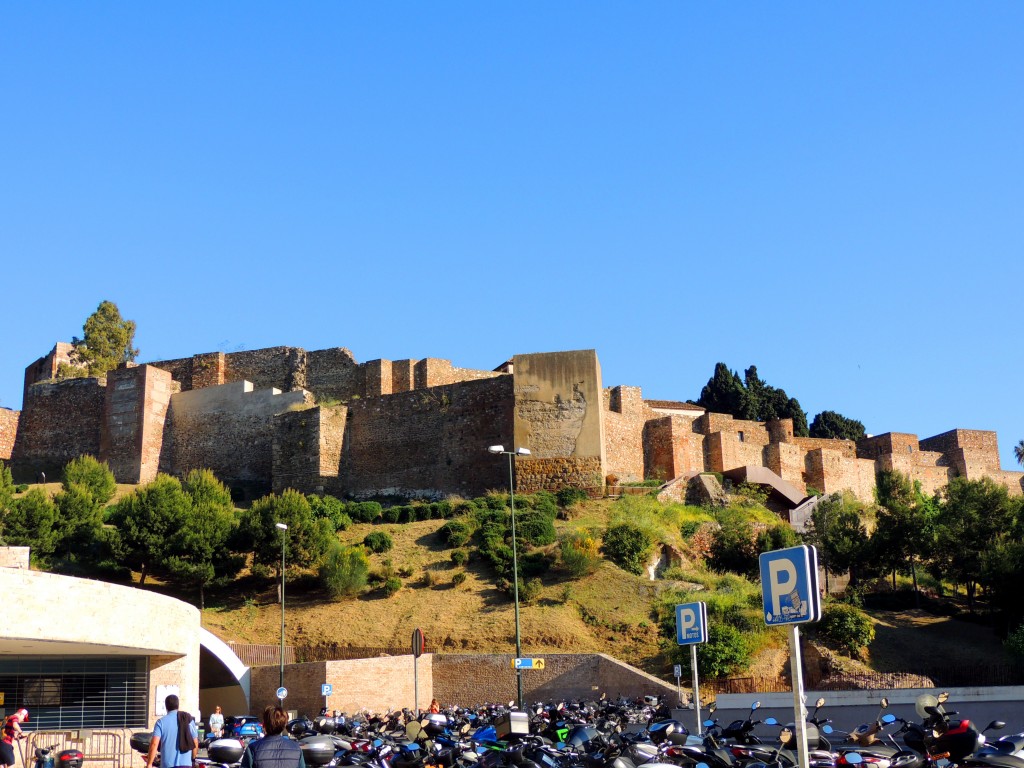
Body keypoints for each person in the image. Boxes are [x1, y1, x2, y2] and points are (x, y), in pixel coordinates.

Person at [145, 695, 198, 768]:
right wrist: (193, 759)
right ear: (178, 705)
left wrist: (149, 764)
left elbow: (154, 744)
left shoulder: (160, 722)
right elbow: (195, 742)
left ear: (166, 707)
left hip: (167, 765)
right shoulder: (188, 720)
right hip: (186, 765)